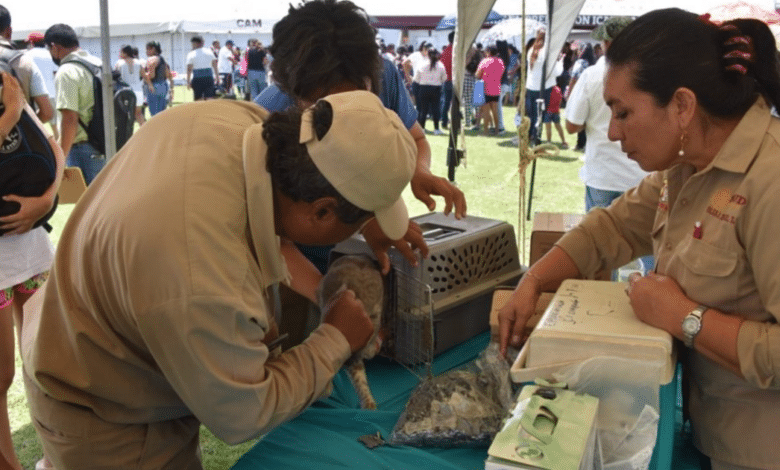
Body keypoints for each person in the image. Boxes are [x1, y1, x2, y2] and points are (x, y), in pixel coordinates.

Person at [21, 89, 419, 468]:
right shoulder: (201, 272)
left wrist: (358, 224)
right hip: (104, 408)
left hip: (105, 341)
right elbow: (243, 413)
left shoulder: (244, 124)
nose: (364, 230)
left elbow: (266, 230)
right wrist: (334, 338)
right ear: (321, 212)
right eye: (362, 221)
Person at [499, 8, 780, 469]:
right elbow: (609, 227)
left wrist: (685, 317)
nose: (611, 132)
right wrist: (534, 281)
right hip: (706, 428)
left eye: (623, 112)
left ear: (683, 106)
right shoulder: (687, 167)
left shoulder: (769, 179)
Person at [256, 0, 466, 274]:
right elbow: (274, 237)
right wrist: (326, 296)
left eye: (358, 97)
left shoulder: (384, 74)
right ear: (295, 97)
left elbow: (416, 139)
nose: (348, 114)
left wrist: (417, 170)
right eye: (325, 106)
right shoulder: (267, 118)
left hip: (362, 253)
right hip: (300, 264)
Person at [0, 52, 63, 470]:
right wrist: (6, 117)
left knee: (47, 363)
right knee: (1, 375)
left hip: (31, 253)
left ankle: (53, 455)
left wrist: (44, 201)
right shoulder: (8, 102)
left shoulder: (9, 88)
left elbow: (54, 152)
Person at [565, 16, 647, 211]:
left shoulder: (591, 75)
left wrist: (592, 121)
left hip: (603, 175)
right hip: (638, 175)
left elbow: (572, 126)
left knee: (598, 239)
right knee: (637, 240)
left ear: (607, 44)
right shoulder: (647, 75)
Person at [45, 23, 106, 185]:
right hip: (106, 142)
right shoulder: (97, 63)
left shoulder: (67, 71)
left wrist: (61, 158)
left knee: (87, 205)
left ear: (54, 47)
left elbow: (70, 119)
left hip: (83, 148)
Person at [525, 28, 563, 144]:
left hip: (530, 87)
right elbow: (556, 72)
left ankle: (529, 136)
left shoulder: (531, 49)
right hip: (543, 87)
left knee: (531, 114)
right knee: (540, 115)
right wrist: (560, 61)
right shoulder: (549, 51)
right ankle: (536, 138)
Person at [24, 31, 58, 141]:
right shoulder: (50, 54)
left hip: (36, 95)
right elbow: (55, 72)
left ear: (32, 43)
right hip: (52, 93)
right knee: (55, 127)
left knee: (37, 126)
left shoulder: (27, 55)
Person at [413, 47, 447, 135]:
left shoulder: (422, 64)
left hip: (423, 88)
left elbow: (416, 79)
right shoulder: (440, 65)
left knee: (423, 110)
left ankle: (422, 129)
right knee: (436, 109)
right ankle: (436, 129)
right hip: (436, 89)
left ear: (427, 54)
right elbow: (444, 78)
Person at [475, 45, 505, 136]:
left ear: (488, 52)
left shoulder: (484, 61)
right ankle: (496, 130)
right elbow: (501, 73)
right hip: (496, 89)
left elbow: (477, 75)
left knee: (486, 111)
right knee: (495, 111)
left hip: (485, 88)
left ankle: (486, 132)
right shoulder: (500, 62)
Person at [115, 44, 146, 126]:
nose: (119, 54)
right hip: (138, 91)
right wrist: (150, 85)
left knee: (125, 115)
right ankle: (146, 133)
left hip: (126, 92)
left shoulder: (119, 62)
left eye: (120, 52)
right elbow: (144, 75)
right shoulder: (138, 62)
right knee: (139, 114)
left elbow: (115, 76)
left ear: (125, 53)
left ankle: (127, 135)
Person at [143, 41, 173, 116]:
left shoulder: (152, 59)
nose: (146, 51)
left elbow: (151, 75)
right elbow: (168, 74)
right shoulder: (162, 59)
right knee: (162, 113)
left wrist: (144, 75)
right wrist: (171, 86)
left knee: (154, 114)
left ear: (153, 49)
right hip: (163, 85)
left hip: (154, 86)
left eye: (147, 49)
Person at [186, 35, 218, 101]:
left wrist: (188, 81)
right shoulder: (209, 52)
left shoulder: (191, 54)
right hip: (208, 77)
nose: (192, 45)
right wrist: (217, 77)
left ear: (196, 43)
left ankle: (200, 111)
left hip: (197, 78)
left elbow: (189, 69)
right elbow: (215, 66)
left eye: (192, 43)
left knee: (198, 99)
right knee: (210, 98)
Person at [439, 32, 454, 130]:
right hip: (453, 79)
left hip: (446, 80)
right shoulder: (455, 51)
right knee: (453, 102)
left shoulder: (444, 51)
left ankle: (444, 121)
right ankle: (452, 121)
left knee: (446, 102)